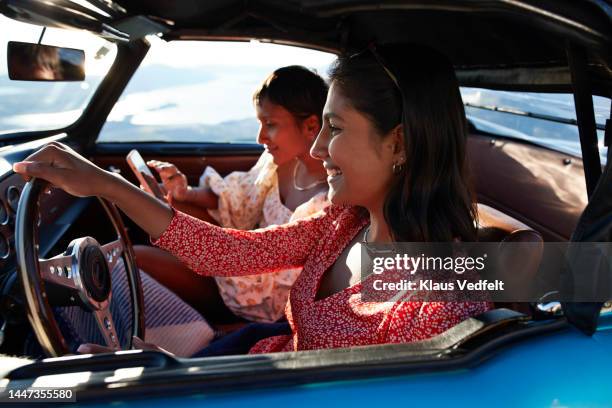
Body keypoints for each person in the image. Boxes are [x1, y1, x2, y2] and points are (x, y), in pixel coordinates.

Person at [14, 44, 490, 355]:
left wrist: (167, 384)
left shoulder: (436, 297)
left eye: (336, 128)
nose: (319, 146)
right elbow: (232, 252)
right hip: (263, 366)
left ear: (400, 145)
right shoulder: (343, 222)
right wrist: (106, 185)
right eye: (320, 124)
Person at [133, 65, 330, 324]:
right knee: (167, 214)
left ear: (311, 126)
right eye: (260, 123)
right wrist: (185, 193)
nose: (261, 137)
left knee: (136, 257)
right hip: (233, 266)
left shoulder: (330, 200)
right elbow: (236, 199)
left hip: (251, 297)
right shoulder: (279, 164)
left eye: (270, 124)